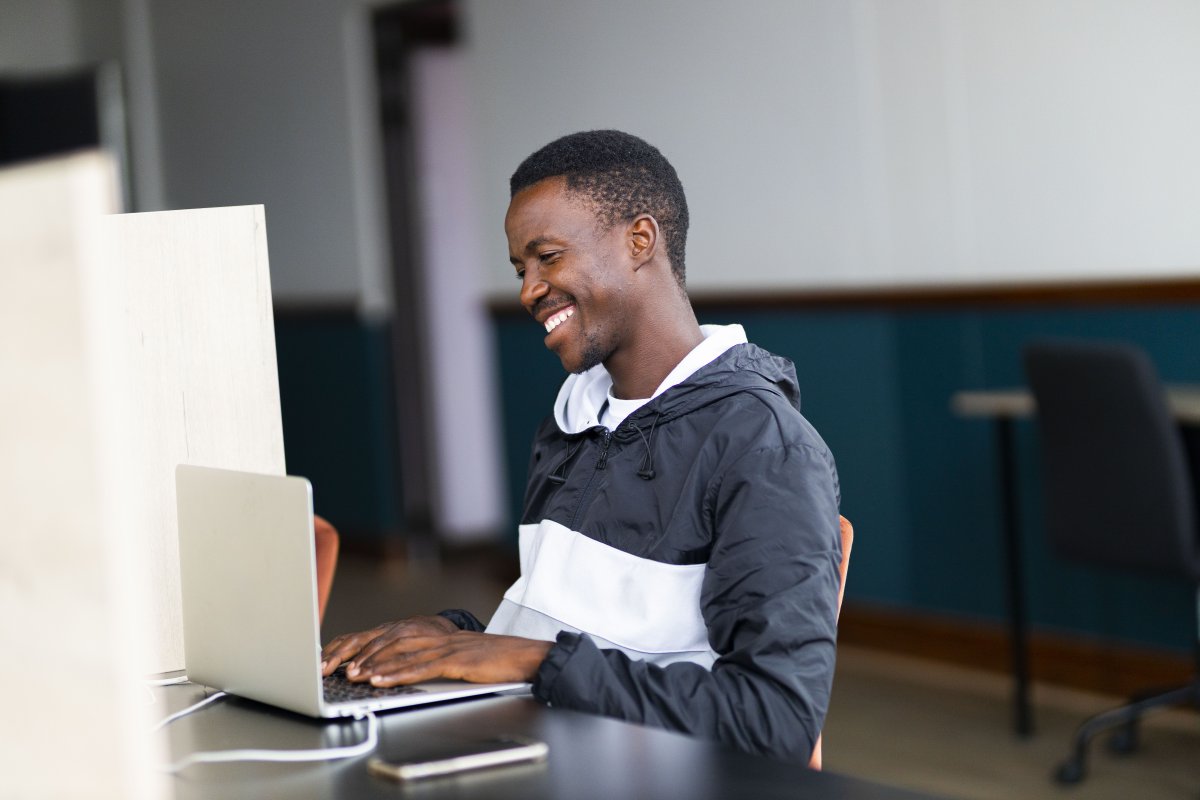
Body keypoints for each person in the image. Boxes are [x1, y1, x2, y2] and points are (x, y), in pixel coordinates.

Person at [321, 130, 843, 763]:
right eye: (521, 270)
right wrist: (453, 636)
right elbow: (575, 635)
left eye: (547, 257)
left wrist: (530, 660)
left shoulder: (765, 447)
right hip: (532, 743)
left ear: (640, 240)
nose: (528, 290)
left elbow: (774, 720)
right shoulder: (572, 421)